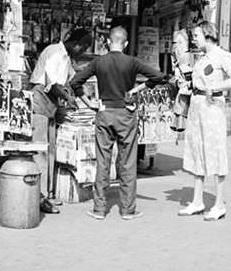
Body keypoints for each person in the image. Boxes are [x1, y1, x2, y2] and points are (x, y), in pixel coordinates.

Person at [70, 26, 167, 220]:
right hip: (125, 114)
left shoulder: (99, 62)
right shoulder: (131, 62)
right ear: (126, 43)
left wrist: (90, 103)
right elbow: (158, 76)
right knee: (128, 162)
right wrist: (136, 89)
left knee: (102, 161)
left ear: (108, 42)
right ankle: (127, 209)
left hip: (104, 113)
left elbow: (75, 82)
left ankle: (99, 209)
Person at [177, 21, 231, 221]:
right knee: (198, 150)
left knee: (214, 151)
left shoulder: (223, 56)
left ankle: (219, 203)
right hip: (198, 108)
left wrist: (215, 88)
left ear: (207, 35)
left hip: (212, 108)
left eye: (197, 35)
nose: (194, 39)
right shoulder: (202, 58)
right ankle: (197, 201)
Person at [29, 28, 93, 214]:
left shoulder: (66, 58)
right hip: (40, 100)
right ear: (77, 44)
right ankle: (39, 197)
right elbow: (53, 85)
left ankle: (48, 194)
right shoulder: (54, 53)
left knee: (50, 150)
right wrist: (69, 99)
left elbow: (73, 80)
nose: (83, 52)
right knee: (39, 149)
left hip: (51, 104)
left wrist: (87, 99)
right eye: (84, 47)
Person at [169, 29, 194, 137]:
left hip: (188, 92)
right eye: (175, 42)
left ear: (187, 43)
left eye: (180, 42)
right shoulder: (175, 57)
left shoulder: (187, 56)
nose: (177, 45)